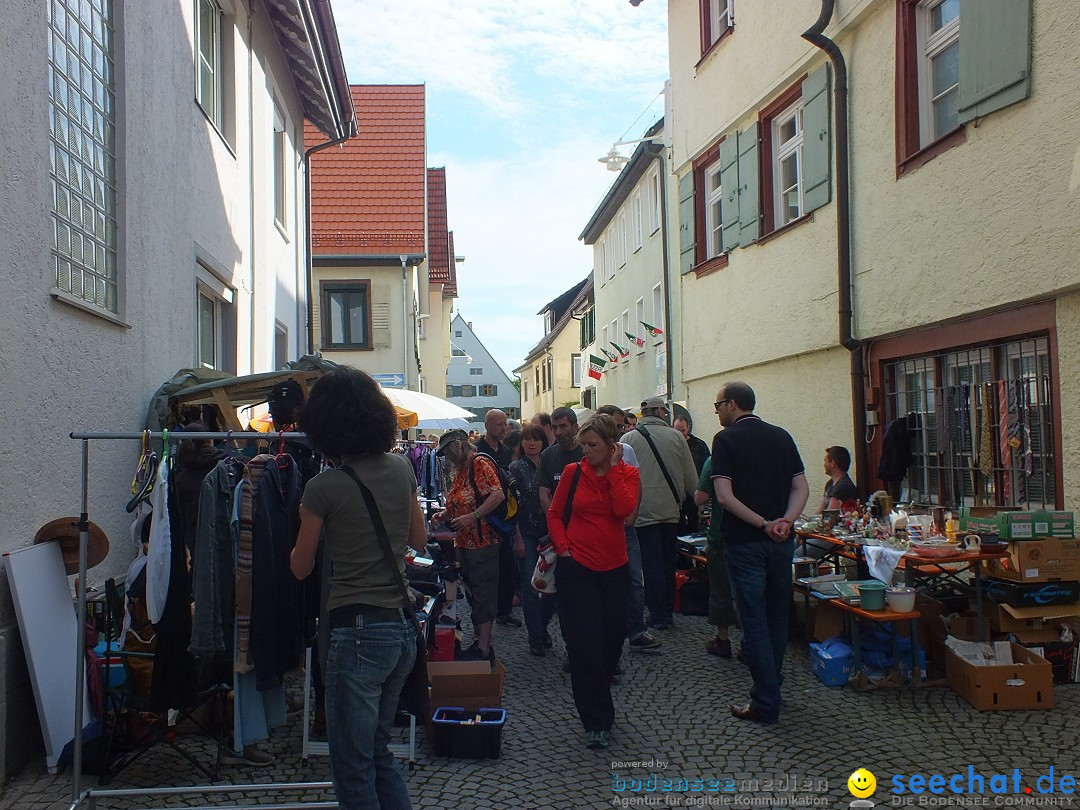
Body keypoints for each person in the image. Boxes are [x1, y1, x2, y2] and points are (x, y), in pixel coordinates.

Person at [290, 367, 427, 810]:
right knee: (378, 752)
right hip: (401, 628)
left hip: (356, 632)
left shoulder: (322, 487)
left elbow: (299, 567)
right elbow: (419, 541)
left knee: (351, 765)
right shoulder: (403, 467)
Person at [711, 381, 808, 724]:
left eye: (718, 404)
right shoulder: (781, 436)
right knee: (776, 617)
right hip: (780, 542)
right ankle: (773, 682)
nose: (717, 411)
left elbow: (724, 496)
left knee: (753, 620)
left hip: (745, 541)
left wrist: (764, 523)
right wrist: (786, 521)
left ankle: (765, 700)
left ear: (733, 404)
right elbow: (801, 487)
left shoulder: (725, 440)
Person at [547, 414, 640, 750]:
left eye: (592, 445)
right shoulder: (573, 473)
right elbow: (555, 514)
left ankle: (600, 702)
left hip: (614, 569)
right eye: (583, 445)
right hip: (577, 570)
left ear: (611, 446)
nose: (585, 451)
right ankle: (597, 720)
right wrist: (564, 548)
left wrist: (613, 470)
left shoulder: (627, 474)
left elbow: (624, 512)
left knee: (611, 643)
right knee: (584, 646)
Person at [622, 397, 698, 631]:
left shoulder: (629, 439)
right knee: (667, 562)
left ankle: (656, 614)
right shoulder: (677, 437)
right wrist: (692, 499)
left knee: (650, 565)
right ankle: (666, 611)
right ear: (659, 411)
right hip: (670, 510)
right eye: (664, 411)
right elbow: (690, 478)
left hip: (641, 511)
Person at [431, 429, 505, 661]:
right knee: (474, 592)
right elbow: (462, 501)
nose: (448, 458)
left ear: (458, 447)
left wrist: (471, 517)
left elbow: (497, 495)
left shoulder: (479, 463)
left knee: (483, 593)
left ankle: (483, 649)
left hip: (482, 542)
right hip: (466, 542)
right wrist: (444, 515)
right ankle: (478, 642)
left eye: (448, 452)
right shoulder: (463, 469)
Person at [596, 405, 660, 653]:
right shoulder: (590, 449)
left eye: (621, 426)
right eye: (615, 424)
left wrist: (632, 515)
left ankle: (636, 630)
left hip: (624, 525)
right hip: (601, 527)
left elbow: (636, 482)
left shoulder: (628, 450)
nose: (619, 429)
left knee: (634, 579)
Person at [509, 425, 555, 656]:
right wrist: (516, 537)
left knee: (551, 587)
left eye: (535, 439)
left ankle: (542, 626)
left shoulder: (550, 463)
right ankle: (535, 636)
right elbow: (512, 506)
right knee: (530, 586)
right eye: (527, 439)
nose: (531, 443)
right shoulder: (516, 468)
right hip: (525, 532)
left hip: (551, 532)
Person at [476, 409, 520, 629]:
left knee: (507, 566)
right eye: (498, 425)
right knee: (485, 572)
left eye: (505, 424)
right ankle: (485, 616)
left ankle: (504, 611)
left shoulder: (506, 451)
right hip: (483, 518)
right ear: (487, 425)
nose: (503, 428)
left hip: (504, 517)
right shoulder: (476, 450)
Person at [694, 457, 737, 658]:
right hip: (756, 534)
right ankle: (751, 644)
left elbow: (700, 498)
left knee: (721, 590)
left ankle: (723, 640)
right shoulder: (762, 453)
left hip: (722, 534)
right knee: (752, 591)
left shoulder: (714, 460)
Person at [536, 407, 584, 511]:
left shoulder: (588, 453)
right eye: (554, 427)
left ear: (575, 427)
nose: (558, 432)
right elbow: (544, 496)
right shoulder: (547, 455)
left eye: (563, 426)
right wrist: (556, 522)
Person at [674, 415, 710, 534]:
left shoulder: (699, 445)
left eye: (682, 430)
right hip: (678, 496)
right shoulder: (671, 446)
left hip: (695, 495)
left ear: (688, 428)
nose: (680, 434)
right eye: (677, 431)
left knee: (694, 527)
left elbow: (706, 469)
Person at [818, 446, 859, 512]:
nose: (824, 464)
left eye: (825, 461)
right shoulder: (830, 484)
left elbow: (829, 514)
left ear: (833, 463)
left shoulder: (843, 487)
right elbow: (821, 509)